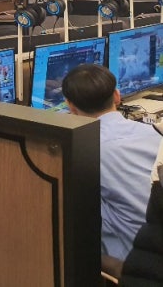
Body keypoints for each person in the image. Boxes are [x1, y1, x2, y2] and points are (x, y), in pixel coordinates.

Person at [61, 63, 162, 261]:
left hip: (134, 260)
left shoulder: (84, 154)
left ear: (70, 107)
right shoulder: (154, 133)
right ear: (117, 96)